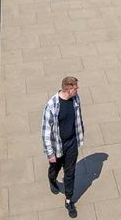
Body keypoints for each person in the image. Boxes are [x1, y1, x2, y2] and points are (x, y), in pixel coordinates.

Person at [41, 76, 85, 215]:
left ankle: (69, 200)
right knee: (55, 168)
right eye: (76, 88)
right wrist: (50, 153)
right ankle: (52, 179)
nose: (77, 90)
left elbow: (78, 119)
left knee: (70, 173)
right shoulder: (52, 105)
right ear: (69, 89)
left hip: (72, 143)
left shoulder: (75, 99)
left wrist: (79, 137)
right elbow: (46, 132)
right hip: (58, 146)